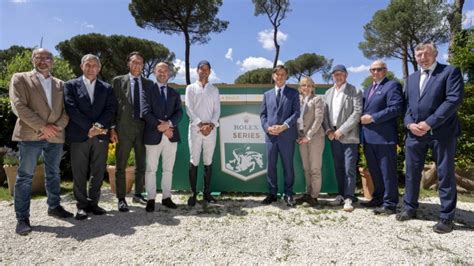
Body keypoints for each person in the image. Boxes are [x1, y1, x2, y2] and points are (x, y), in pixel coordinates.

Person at [398, 41, 464, 234]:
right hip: (415, 134)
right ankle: (410, 207)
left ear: (435, 54)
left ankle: (446, 217)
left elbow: (453, 100)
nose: (422, 58)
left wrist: (429, 123)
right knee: (411, 172)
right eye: (419, 55)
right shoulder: (411, 79)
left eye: (426, 54)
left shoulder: (449, 72)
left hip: (441, 133)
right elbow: (407, 106)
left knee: (444, 174)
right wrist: (410, 124)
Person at [9, 48, 73, 235]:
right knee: (25, 176)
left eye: (47, 58)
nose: (43, 61)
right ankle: (22, 218)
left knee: (53, 173)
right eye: (39, 57)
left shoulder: (61, 84)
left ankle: (54, 206)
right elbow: (18, 106)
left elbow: (67, 111)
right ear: (33, 60)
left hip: (56, 136)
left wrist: (56, 127)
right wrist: (43, 127)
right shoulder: (20, 78)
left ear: (52, 61)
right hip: (31, 135)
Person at [64, 54, 117, 220]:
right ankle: (81, 205)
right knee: (79, 171)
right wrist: (89, 128)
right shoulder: (70, 85)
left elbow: (110, 110)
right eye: (87, 65)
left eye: (94, 65)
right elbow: (71, 108)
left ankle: (93, 203)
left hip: (100, 135)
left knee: (98, 170)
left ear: (99, 68)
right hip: (79, 135)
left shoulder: (107, 88)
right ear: (81, 66)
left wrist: (98, 127)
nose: (91, 68)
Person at [110, 52, 153, 212]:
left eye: (140, 63)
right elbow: (112, 106)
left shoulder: (149, 84)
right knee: (120, 164)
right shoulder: (118, 81)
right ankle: (121, 198)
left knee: (141, 163)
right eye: (134, 62)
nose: (137, 65)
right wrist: (112, 128)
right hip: (123, 128)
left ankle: (138, 193)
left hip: (143, 128)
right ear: (128, 64)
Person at [360, 60, 403, 215]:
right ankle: (378, 198)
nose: (375, 72)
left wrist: (373, 118)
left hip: (384, 138)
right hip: (368, 138)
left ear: (385, 70)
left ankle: (390, 204)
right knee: (375, 171)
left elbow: (396, 108)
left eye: (379, 69)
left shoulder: (392, 86)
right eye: (372, 70)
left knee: (387, 172)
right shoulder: (368, 89)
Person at [142, 62, 183, 212]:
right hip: (153, 135)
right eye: (159, 70)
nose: (162, 73)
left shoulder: (174, 93)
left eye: (165, 70)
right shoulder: (147, 91)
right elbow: (145, 112)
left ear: (169, 73)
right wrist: (162, 128)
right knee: (151, 169)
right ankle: (151, 199)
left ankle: (166, 197)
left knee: (168, 169)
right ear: (154, 72)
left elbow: (179, 113)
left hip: (171, 136)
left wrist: (169, 124)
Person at [323, 64, 362, 212]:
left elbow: (357, 114)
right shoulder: (328, 93)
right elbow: (325, 115)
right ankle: (340, 194)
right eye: (335, 74)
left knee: (349, 169)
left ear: (346, 75)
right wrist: (328, 130)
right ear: (332, 76)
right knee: (338, 167)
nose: (338, 76)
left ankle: (349, 198)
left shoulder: (355, 91)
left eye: (341, 74)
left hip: (349, 136)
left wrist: (341, 130)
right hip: (333, 136)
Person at [260, 65, 300, 207]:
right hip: (271, 136)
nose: (280, 76)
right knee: (271, 166)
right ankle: (272, 193)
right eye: (277, 74)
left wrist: (284, 126)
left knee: (288, 166)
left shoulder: (293, 93)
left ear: (286, 76)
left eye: (282, 74)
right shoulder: (267, 94)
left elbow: (296, 113)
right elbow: (263, 115)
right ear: (273, 76)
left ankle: (288, 193)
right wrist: (267, 128)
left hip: (287, 136)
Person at [185, 60, 221, 206]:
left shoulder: (214, 90)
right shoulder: (190, 88)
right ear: (197, 70)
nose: (204, 71)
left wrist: (210, 125)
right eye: (202, 69)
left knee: (208, 161)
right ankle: (193, 193)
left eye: (207, 69)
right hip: (195, 129)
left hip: (211, 130)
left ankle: (207, 193)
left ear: (210, 72)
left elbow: (217, 110)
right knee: (194, 160)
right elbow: (189, 108)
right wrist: (200, 125)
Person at [294, 76, 325, 208]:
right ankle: (308, 193)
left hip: (315, 138)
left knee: (315, 168)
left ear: (313, 87)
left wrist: (308, 136)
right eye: (303, 85)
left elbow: (319, 120)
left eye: (308, 85)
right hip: (302, 139)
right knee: (306, 168)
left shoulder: (317, 100)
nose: (305, 88)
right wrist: (299, 136)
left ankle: (315, 196)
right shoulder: (298, 101)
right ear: (300, 88)